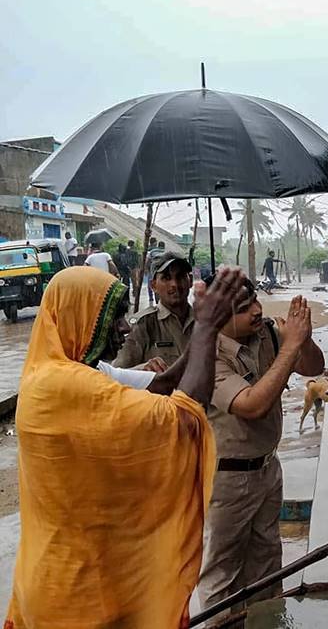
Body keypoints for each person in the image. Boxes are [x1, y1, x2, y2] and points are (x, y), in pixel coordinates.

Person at [5, 265, 248, 628]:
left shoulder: (82, 373)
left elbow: (164, 384)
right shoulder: (58, 386)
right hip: (74, 594)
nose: (125, 328)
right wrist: (208, 328)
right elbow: (181, 415)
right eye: (112, 318)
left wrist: (202, 327)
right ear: (78, 316)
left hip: (97, 576)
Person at [197, 281, 324, 621]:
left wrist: (304, 340)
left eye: (254, 300)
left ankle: (268, 621)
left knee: (268, 562)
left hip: (267, 468)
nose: (256, 310)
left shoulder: (266, 334)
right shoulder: (207, 355)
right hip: (227, 479)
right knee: (222, 572)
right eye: (243, 307)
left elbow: (313, 368)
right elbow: (253, 405)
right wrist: (290, 347)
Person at [113, 251, 195, 370]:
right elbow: (117, 375)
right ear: (154, 286)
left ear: (190, 280)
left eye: (180, 276)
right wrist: (142, 370)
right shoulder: (141, 325)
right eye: (166, 278)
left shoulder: (205, 322)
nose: (175, 284)